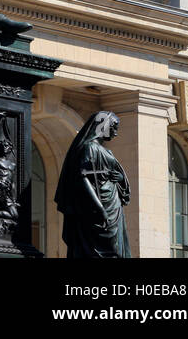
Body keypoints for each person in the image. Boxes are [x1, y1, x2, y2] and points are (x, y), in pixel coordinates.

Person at [54, 110, 131, 258]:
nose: (116, 132)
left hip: (113, 208)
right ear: (103, 126)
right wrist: (100, 208)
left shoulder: (106, 151)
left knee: (115, 251)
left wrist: (120, 177)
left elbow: (118, 177)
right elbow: (82, 178)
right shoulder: (90, 148)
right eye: (114, 127)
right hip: (98, 209)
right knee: (101, 250)